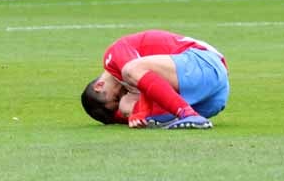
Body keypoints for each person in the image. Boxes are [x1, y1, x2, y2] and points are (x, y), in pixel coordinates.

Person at [81, 30, 230, 129]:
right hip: (211, 97)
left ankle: (189, 115)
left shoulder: (112, 57)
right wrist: (132, 115)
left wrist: (138, 111)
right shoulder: (127, 87)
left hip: (203, 63)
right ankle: (184, 115)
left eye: (115, 97)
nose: (121, 95)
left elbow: (136, 75)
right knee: (128, 105)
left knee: (130, 70)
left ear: (99, 86)